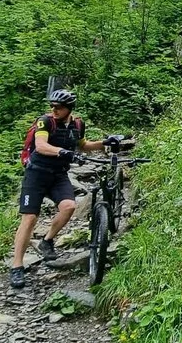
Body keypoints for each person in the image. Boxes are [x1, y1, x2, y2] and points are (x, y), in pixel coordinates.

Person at [11, 90, 121, 289]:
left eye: (58, 107)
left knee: (69, 206)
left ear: (69, 109)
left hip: (58, 175)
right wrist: (63, 152)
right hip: (36, 174)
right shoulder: (45, 122)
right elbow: (41, 145)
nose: (54, 110)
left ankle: (47, 241)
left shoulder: (77, 124)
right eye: (52, 106)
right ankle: (17, 267)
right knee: (29, 218)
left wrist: (104, 143)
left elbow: (83, 145)